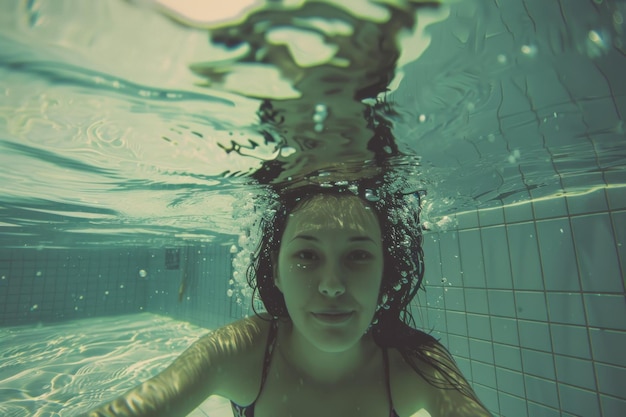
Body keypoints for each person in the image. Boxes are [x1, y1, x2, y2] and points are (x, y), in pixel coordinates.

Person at [82, 181, 492, 417]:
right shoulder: (241, 352)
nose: (332, 285)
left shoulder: (416, 364)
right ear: (275, 272)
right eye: (307, 256)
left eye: (358, 255)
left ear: (386, 271)